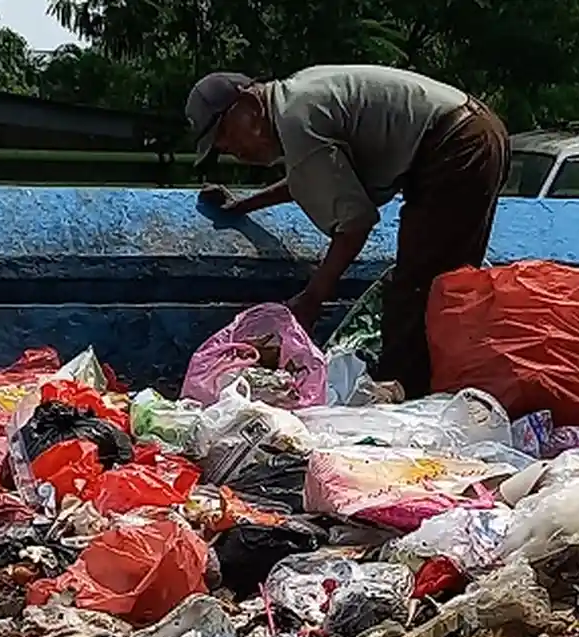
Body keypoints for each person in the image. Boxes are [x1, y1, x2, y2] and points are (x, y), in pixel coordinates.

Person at [184, 64, 510, 398]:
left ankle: (407, 404)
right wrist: (244, 206)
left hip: (456, 147)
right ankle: (439, 394)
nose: (232, 150)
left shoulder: (295, 120)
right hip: (471, 133)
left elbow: (354, 224)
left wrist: (312, 299)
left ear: (248, 107)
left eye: (225, 135)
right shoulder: (294, 101)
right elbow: (312, 179)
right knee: (445, 289)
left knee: (418, 293)